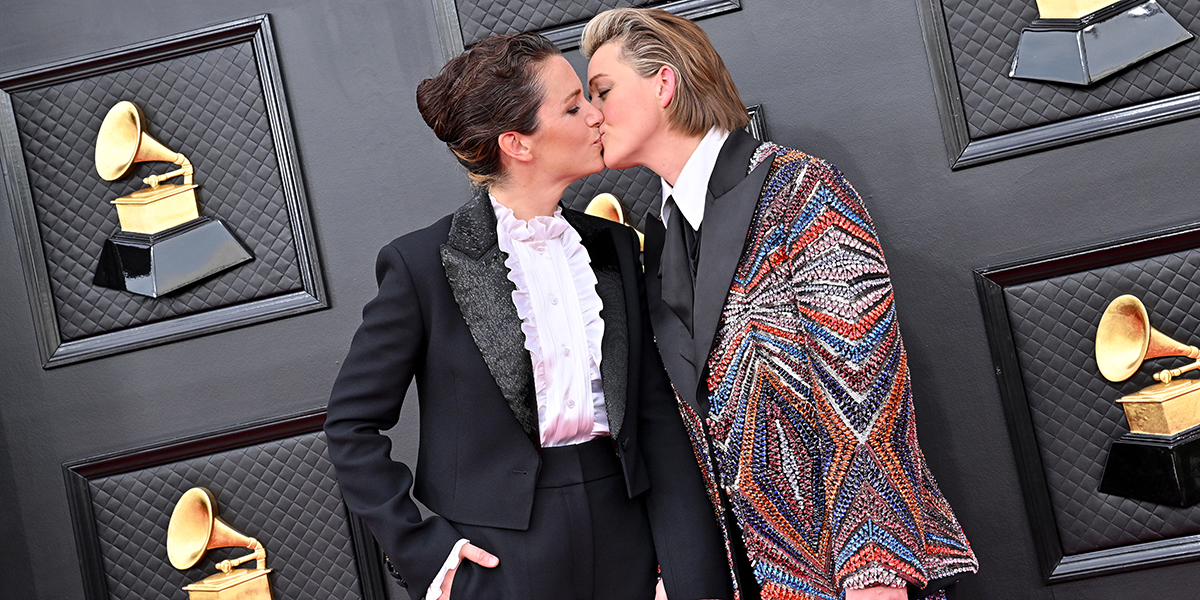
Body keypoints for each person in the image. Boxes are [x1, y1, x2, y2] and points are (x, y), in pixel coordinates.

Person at [581, 9, 979, 600]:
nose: (591, 114)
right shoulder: (658, 239)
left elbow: (867, 405)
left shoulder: (800, 191)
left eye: (603, 92)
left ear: (663, 84)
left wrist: (876, 577)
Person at [324, 32, 731, 600]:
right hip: (498, 564)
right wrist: (428, 554)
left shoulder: (615, 246)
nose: (596, 116)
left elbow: (655, 418)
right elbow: (350, 425)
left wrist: (685, 571)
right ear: (518, 143)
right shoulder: (420, 265)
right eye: (573, 106)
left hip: (629, 543)